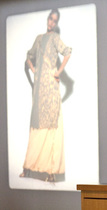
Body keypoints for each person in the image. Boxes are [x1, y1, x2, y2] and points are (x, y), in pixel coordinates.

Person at [20, 9, 72, 182]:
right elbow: (29, 57)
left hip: (50, 88)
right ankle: (28, 168)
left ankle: (51, 172)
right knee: (36, 125)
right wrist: (34, 71)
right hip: (39, 89)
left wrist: (57, 72)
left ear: (56, 23)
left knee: (51, 126)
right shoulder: (39, 39)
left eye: (54, 21)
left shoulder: (55, 39)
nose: (51, 23)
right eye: (50, 19)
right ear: (48, 19)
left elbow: (67, 52)